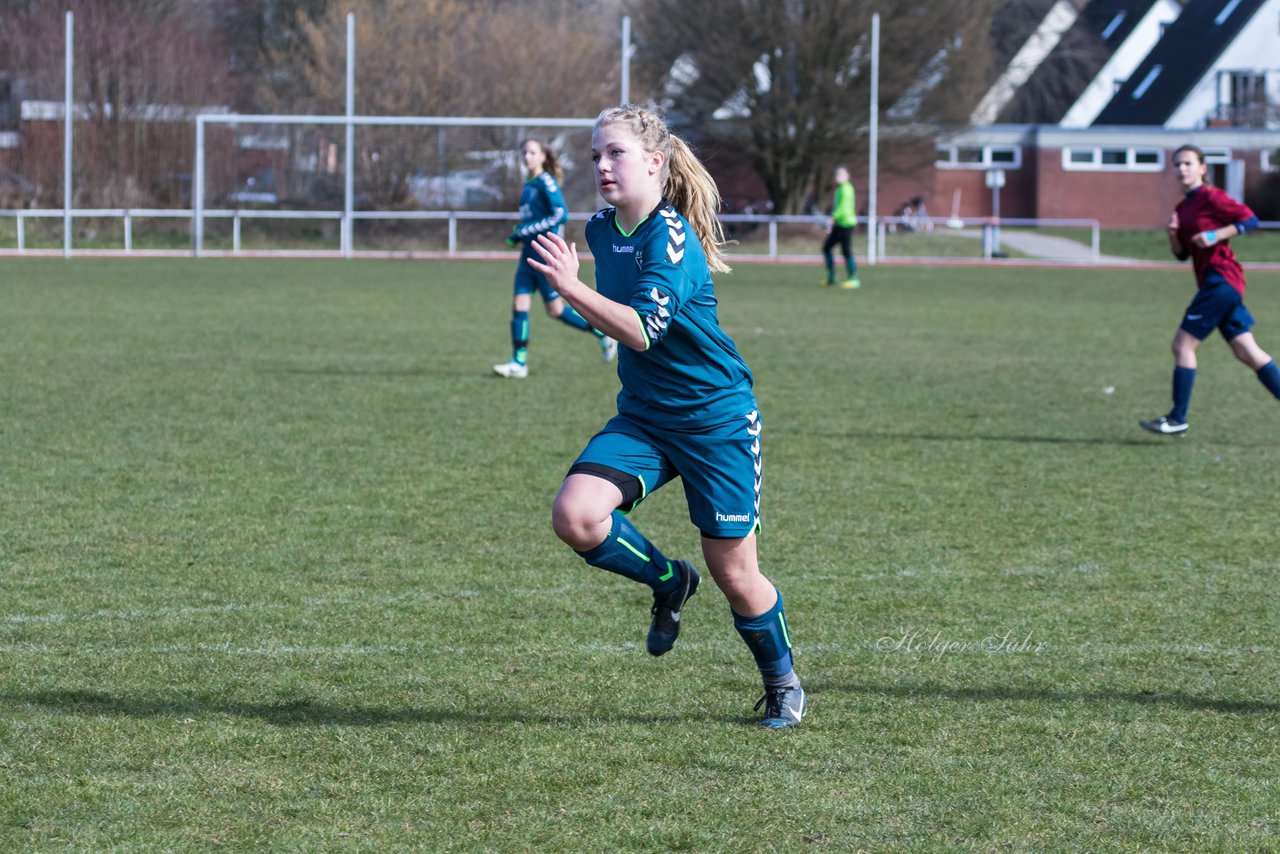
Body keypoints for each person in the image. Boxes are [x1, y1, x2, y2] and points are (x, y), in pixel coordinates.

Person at [526, 105, 807, 729]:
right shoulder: (602, 230)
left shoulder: (669, 237)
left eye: (616, 153)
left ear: (654, 161)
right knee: (576, 515)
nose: (602, 165)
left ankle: (782, 682)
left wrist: (573, 291)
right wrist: (577, 298)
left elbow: (644, 330)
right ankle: (669, 583)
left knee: (736, 574)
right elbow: (619, 318)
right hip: (647, 417)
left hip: (716, 422)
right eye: (596, 154)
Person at [1140, 144, 1280, 435]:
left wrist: (1216, 234)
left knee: (1182, 345)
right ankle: (1177, 420)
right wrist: (1172, 234)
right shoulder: (1183, 207)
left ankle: (1177, 419)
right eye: (1177, 164)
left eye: (1188, 163)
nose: (1182, 169)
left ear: (1202, 168)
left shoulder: (1211, 196)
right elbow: (1181, 255)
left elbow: (1249, 219)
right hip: (1216, 284)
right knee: (1247, 351)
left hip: (1222, 280)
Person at [493, 138, 617, 378]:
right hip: (528, 256)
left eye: (532, 152)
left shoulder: (546, 182)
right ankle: (519, 363)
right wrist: (521, 237)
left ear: (542, 157)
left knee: (556, 311)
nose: (527, 157)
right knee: (520, 304)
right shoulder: (529, 184)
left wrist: (524, 231)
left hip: (545, 255)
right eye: (524, 153)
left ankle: (602, 332)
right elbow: (534, 221)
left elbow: (560, 214)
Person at [820, 165, 860, 289]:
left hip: (846, 224)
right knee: (827, 248)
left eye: (841, 174)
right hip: (840, 223)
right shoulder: (840, 189)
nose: (838, 177)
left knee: (846, 251)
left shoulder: (846, 189)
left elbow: (842, 208)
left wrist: (832, 219)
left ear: (848, 176)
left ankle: (853, 279)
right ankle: (832, 277)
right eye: (837, 174)